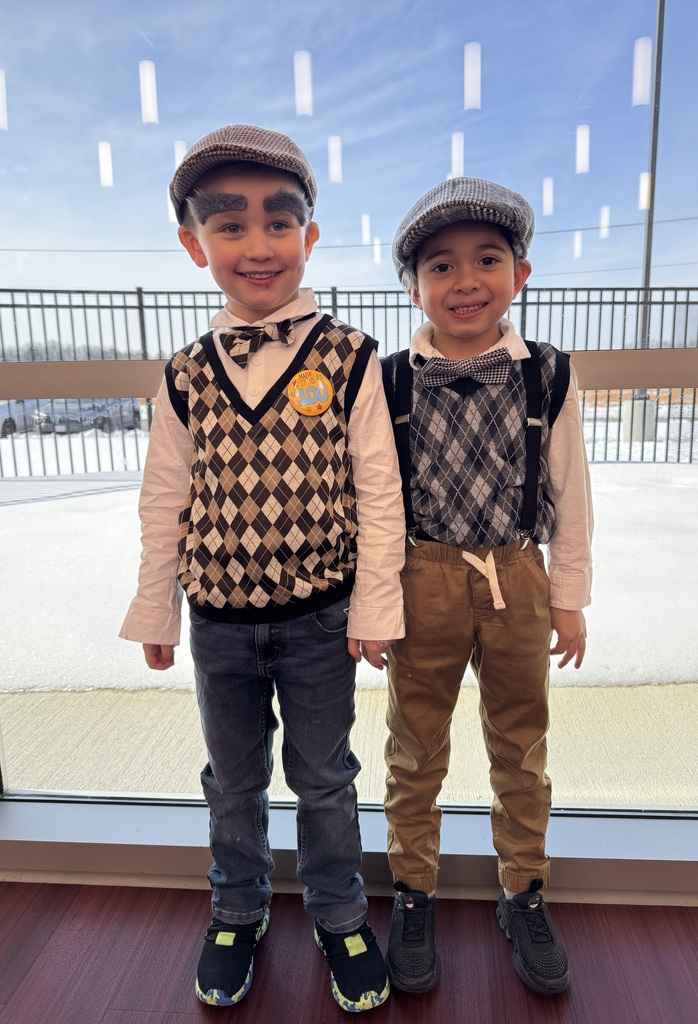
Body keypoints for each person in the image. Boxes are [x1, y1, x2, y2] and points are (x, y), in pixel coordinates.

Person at [120, 123, 406, 1013]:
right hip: (219, 624)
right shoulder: (184, 375)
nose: (257, 245)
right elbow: (164, 495)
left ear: (310, 237)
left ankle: (339, 913)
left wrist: (375, 603)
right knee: (232, 779)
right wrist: (157, 610)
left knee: (325, 776)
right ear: (192, 243)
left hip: (324, 620)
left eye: (279, 223)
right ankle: (237, 911)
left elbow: (380, 491)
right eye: (229, 225)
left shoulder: (351, 358)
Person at [381, 177, 593, 997]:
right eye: (440, 266)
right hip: (422, 575)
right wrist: (377, 600)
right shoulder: (391, 379)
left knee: (521, 740)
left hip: (517, 572)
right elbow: (378, 499)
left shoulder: (548, 375)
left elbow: (571, 490)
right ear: (414, 287)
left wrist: (567, 595)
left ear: (522, 273)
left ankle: (524, 892)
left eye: (487, 259)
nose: (465, 280)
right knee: (415, 744)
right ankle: (412, 891)